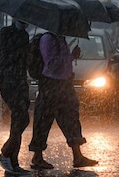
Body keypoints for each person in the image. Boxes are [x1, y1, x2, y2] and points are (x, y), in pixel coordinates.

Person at [28, 32, 98, 169]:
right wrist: (71, 56)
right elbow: (52, 64)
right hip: (51, 84)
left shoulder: (61, 39)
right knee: (44, 120)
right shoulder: (48, 39)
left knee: (71, 118)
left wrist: (72, 57)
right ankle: (37, 156)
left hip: (64, 84)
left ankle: (77, 156)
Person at [0, 19, 31, 175]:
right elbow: (5, 56)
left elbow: (25, 61)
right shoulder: (5, 33)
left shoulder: (24, 35)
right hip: (9, 80)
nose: (25, 23)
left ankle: (10, 157)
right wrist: (23, 50)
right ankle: (7, 155)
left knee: (22, 119)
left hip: (21, 80)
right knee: (20, 117)